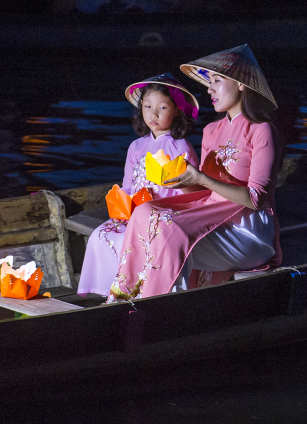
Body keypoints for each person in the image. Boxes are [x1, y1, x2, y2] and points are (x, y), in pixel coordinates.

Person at [109, 44, 283, 301]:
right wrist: (183, 181)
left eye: (216, 80)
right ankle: (129, 298)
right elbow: (203, 191)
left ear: (241, 84)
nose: (209, 89)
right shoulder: (212, 130)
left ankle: (166, 307)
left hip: (247, 231)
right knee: (145, 212)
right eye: (209, 82)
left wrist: (201, 177)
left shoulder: (262, 130)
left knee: (168, 230)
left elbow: (257, 199)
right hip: (211, 216)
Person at [77, 73, 200, 296]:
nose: (153, 114)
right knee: (101, 235)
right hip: (134, 212)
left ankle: (142, 292)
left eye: (162, 107)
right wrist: (121, 208)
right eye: (147, 106)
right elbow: (128, 186)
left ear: (176, 110)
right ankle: (113, 292)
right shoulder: (136, 146)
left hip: (166, 214)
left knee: (139, 242)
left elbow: (191, 192)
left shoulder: (181, 147)